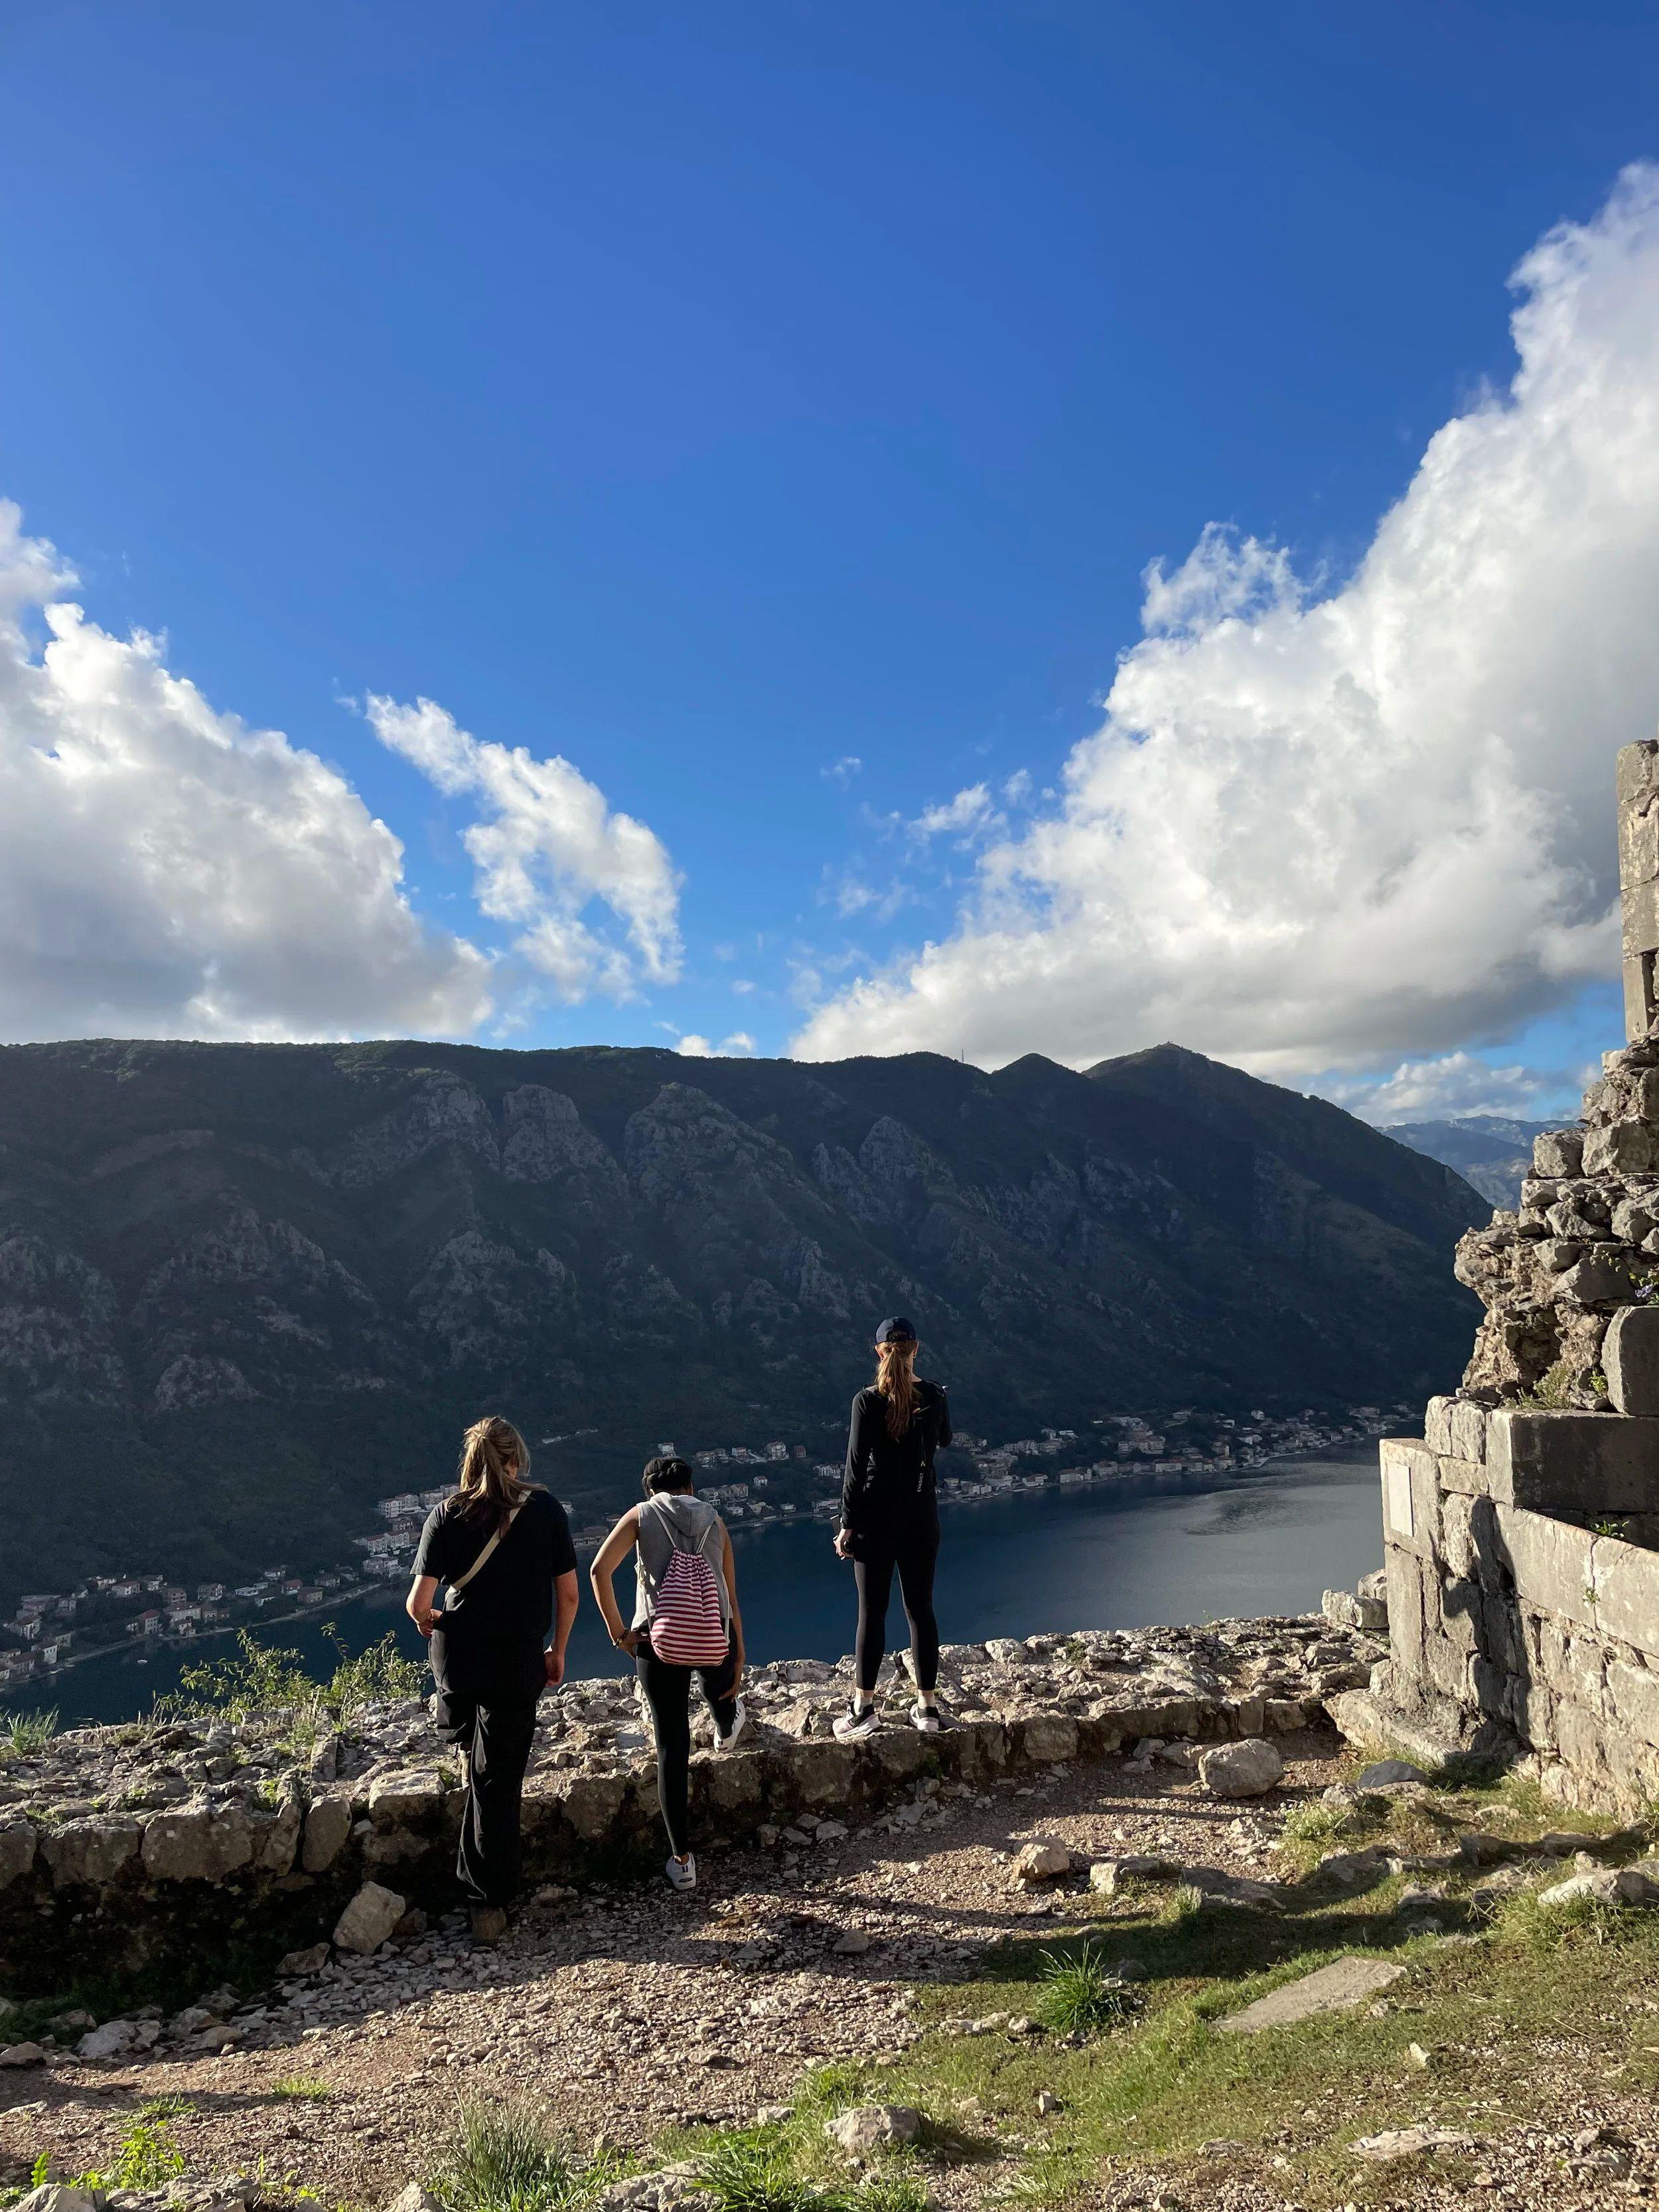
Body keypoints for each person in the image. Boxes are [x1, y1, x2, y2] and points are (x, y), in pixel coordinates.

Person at [407, 1415, 579, 1944]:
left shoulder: (445, 1513)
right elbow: (568, 1595)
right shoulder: (546, 1509)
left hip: (458, 1664)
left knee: (482, 1769)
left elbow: (418, 1603)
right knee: (498, 1782)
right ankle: (489, 1902)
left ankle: (462, 1739)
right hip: (515, 1662)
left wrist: (431, 1622)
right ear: (516, 1457)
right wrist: (558, 1651)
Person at [589, 1456, 747, 1893]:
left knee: (671, 1746)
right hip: (713, 1636)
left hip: (656, 1642)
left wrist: (620, 1634)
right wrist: (738, 1651)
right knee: (718, 1685)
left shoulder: (642, 1515)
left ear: (650, 1490)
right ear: (691, 1485)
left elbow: (599, 1570)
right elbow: (729, 1595)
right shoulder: (715, 1520)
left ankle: (682, 1860)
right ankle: (727, 1719)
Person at [833, 1316, 951, 1739]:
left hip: (875, 1521)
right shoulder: (935, 1395)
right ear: (916, 1349)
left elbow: (855, 1466)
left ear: (878, 1351)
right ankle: (928, 1708)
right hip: (922, 1518)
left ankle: (864, 1708)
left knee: (872, 1613)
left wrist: (847, 1524)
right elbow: (947, 1440)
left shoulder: (866, 1401)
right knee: (921, 1611)